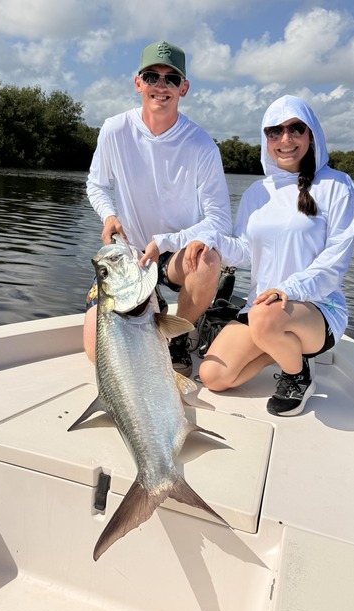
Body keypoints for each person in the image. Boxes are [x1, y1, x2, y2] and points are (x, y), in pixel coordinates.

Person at [184, 95, 354, 416]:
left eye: (295, 129)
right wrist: (211, 243)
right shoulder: (257, 193)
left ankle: (297, 375)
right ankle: (286, 350)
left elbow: (334, 261)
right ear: (266, 139)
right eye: (275, 131)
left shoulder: (338, 185)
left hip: (318, 309)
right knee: (213, 376)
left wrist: (287, 290)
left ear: (311, 134)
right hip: (263, 310)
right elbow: (244, 250)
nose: (285, 139)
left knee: (265, 316)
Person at [83, 40, 232, 375]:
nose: (161, 86)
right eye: (152, 77)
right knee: (96, 352)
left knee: (209, 260)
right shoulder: (115, 130)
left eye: (171, 79)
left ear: (184, 88)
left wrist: (164, 242)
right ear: (138, 83)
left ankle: (177, 336)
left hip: (175, 255)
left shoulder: (202, 145)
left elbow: (220, 219)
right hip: (129, 256)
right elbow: (96, 184)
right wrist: (109, 215)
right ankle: (154, 307)